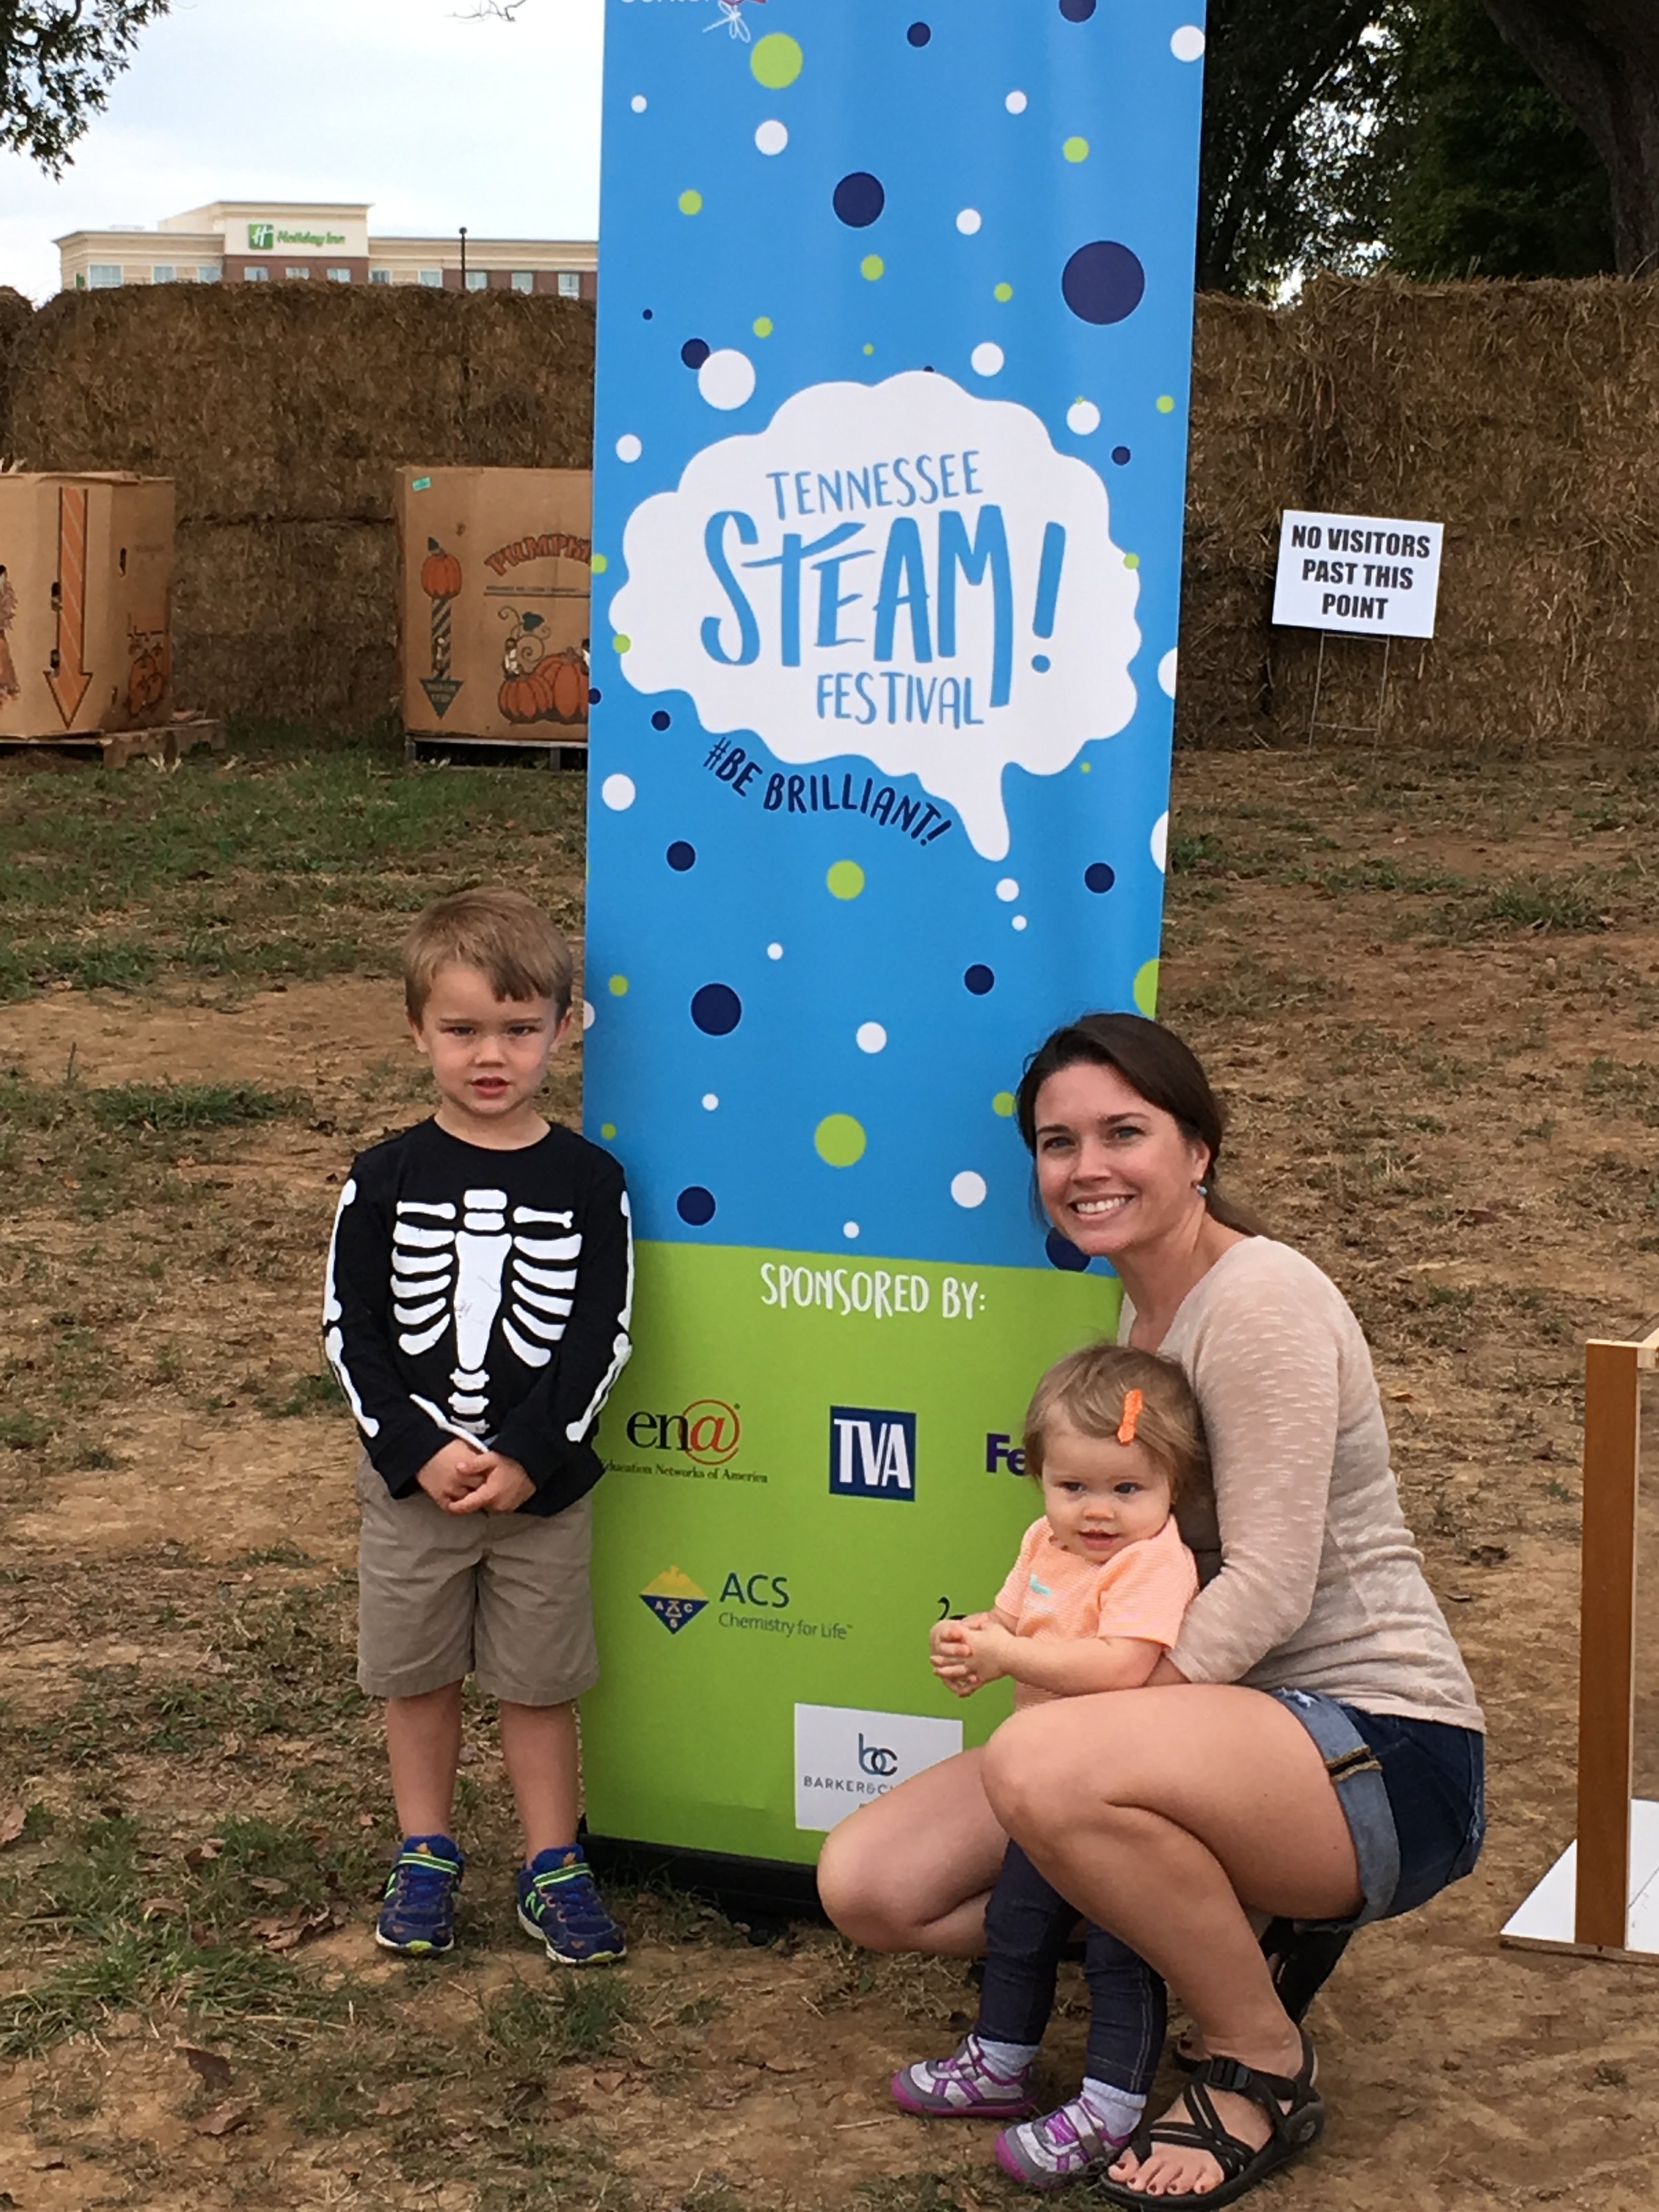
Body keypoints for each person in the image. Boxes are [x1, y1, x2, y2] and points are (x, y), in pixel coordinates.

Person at [818, 1013, 1485, 2205]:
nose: (1089, 1167)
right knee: (873, 1881)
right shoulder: (1145, 1322)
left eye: (1126, 1131)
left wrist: (1099, 1720)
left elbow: (1274, 1583)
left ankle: (1261, 2054)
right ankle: (1217, 1927)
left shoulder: (1261, 1301)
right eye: (1059, 1140)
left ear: (1200, 1149)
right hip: (1229, 1726)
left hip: (1384, 1746)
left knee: (1048, 1758)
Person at [323, 887, 634, 1966]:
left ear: (564, 1026)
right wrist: (416, 1449)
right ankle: (427, 1850)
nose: (489, 1053)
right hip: (415, 1487)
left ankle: (554, 1862)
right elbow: (350, 1327)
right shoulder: (384, 1175)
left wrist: (531, 1453)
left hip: (542, 1493)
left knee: (540, 1683)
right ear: (418, 1030)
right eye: (461, 1029)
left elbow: (603, 1333)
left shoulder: (591, 1181)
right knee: (418, 1674)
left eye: (517, 1026)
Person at [893, 1343, 1204, 2189]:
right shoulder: (1044, 1542)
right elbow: (1007, 1619)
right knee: (1017, 1927)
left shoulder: (1153, 1562)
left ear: (1175, 1485)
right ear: (1040, 1482)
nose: (1097, 1512)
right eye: (1073, 1488)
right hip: (1042, 1797)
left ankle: (1112, 2102)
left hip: (1122, 1803)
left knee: (1119, 1946)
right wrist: (967, 1639)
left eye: (1126, 1489)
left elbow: (1120, 1665)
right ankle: (1001, 2060)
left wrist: (1006, 1657)